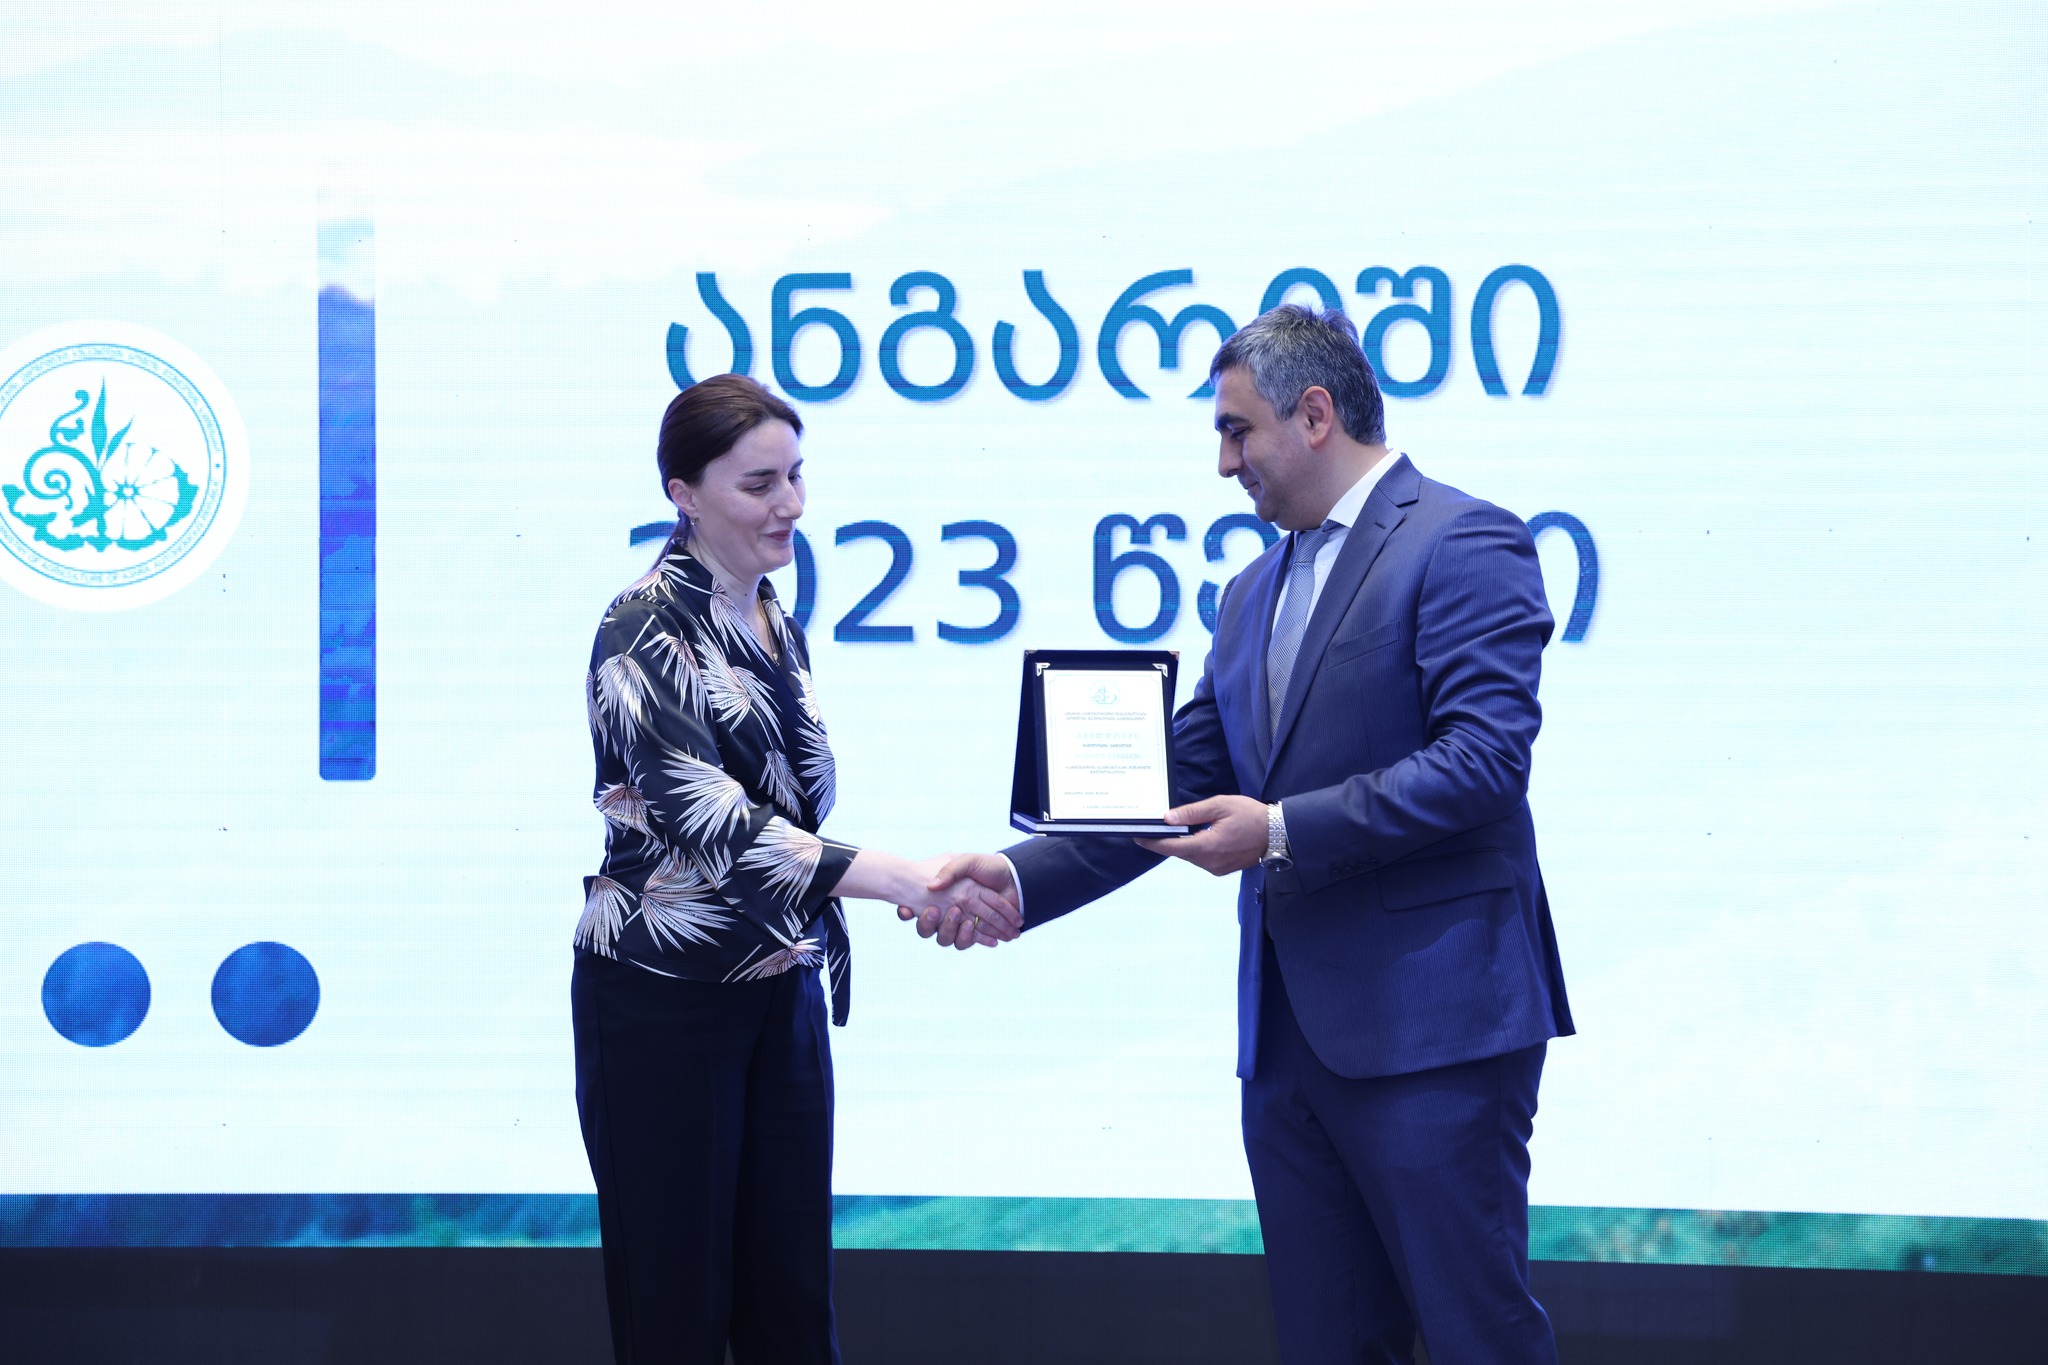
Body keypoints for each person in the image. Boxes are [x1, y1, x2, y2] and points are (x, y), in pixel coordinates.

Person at [918, 307, 1574, 1364]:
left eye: (1236, 431)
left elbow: (1483, 761)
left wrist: (1276, 831)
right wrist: (1012, 877)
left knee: (1476, 1338)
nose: (1224, 464)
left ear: (1314, 415)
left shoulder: (1463, 540)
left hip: (1433, 1031)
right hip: (1286, 1048)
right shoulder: (1249, 590)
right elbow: (1172, 786)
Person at [572, 373, 1019, 1365]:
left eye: (796, 476)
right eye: (759, 484)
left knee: (792, 1312)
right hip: (662, 999)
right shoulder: (640, 626)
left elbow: (796, 802)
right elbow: (716, 825)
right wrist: (905, 879)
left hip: (781, 989)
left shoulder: (773, 617)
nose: (792, 505)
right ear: (683, 493)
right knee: (674, 1318)